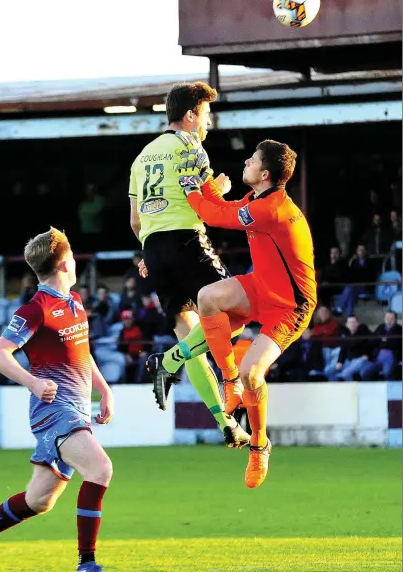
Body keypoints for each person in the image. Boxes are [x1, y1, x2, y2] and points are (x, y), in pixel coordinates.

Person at [148, 136, 317, 488]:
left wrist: (191, 187)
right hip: (261, 286)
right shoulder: (260, 199)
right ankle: (227, 379)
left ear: (265, 173)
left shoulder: (269, 209)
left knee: (253, 373)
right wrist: (206, 183)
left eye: (252, 160)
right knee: (208, 297)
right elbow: (222, 205)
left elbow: (215, 215)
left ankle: (259, 445)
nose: (246, 163)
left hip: (291, 306)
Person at [0, 227, 115, 572]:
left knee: (40, 500)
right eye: (72, 254)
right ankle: (86, 566)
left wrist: (104, 390)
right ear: (64, 263)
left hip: (75, 408)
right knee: (100, 469)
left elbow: (82, 353)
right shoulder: (35, 309)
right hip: (55, 411)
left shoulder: (74, 302)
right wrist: (32, 381)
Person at [129, 81, 250, 448]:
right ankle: (166, 362)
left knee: (191, 331)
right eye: (206, 114)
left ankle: (225, 422)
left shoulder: (142, 157)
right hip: (186, 241)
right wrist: (222, 190)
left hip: (153, 247)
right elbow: (206, 206)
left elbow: (136, 221)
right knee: (233, 315)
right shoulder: (190, 146)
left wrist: (151, 252)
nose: (208, 123)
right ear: (190, 115)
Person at [327, 315, 372, 381]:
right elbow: (343, 350)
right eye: (350, 322)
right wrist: (340, 362)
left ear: (357, 324)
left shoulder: (364, 333)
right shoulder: (346, 336)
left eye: (354, 322)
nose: (352, 324)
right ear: (347, 325)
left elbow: (371, 345)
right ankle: (334, 388)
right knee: (328, 370)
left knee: (345, 373)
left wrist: (368, 355)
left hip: (359, 360)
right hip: (348, 361)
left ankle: (350, 389)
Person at [361, 311, 402, 380]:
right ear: (384, 319)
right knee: (364, 372)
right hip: (377, 358)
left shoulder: (399, 329)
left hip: (391, 358)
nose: (389, 320)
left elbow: (395, 343)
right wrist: (384, 341)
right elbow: (372, 341)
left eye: (391, 318)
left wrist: (383, 341)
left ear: (395, 320)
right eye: (387, 318)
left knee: (387, 373)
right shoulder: (381, 327)